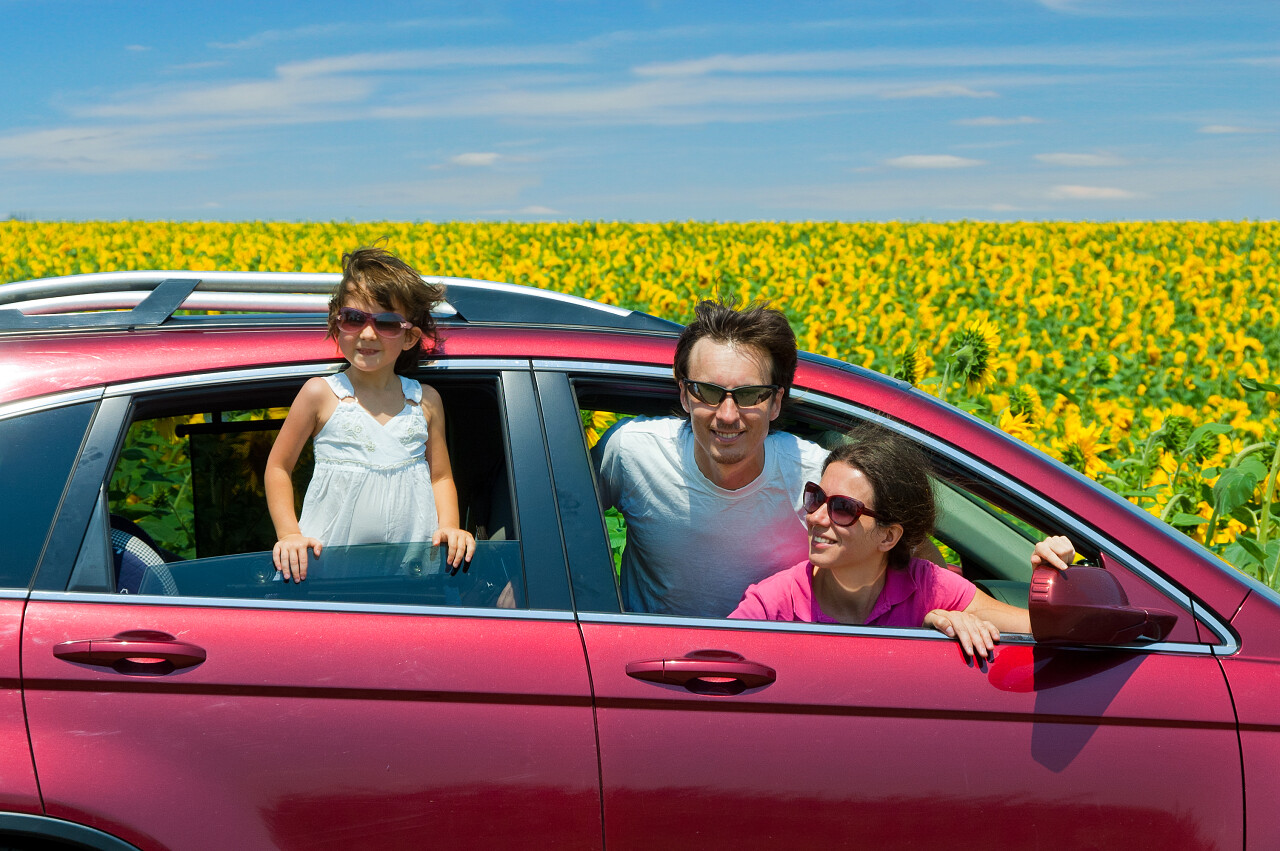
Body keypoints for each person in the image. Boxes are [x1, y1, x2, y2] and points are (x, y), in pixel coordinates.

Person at [729, 424, 1075, 659]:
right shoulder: (774, 604)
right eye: (815, 497)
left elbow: (1050, 629)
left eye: (842, 508)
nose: (816, 517)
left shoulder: (928, 588)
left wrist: (1053, 575)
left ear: (889, 536)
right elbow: (711, 666)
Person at [593, 298, 828, 617]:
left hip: (770, 662)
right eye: (707, 391)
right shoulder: (631, 451)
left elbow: (897, 542)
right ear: (684, 395)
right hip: (650, 661)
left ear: (775, 404)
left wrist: (923, 603)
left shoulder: (816, 477)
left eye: (749, 395)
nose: (728, 415)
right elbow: (553, 514)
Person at [265, 246, 475, 581]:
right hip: (327, 572)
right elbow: (278, 467)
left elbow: (441, 477)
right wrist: (289, 534)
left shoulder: (425, 401)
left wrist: (450, 527)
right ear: (337, 326)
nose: (367, 333)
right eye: (354, 318)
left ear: (409, 337)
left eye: (387, 323)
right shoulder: (321, 394)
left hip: (412, 575)